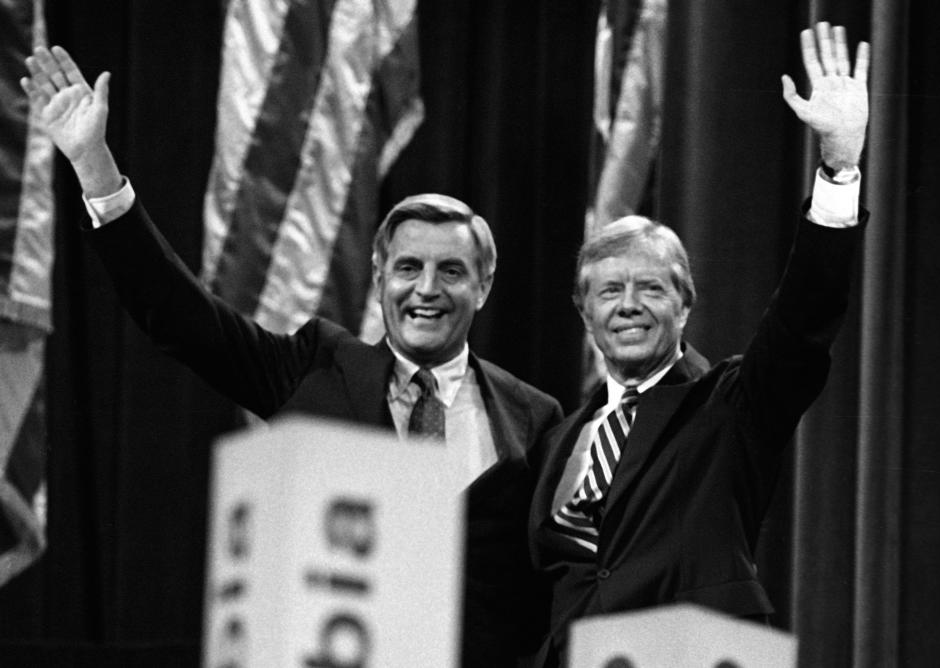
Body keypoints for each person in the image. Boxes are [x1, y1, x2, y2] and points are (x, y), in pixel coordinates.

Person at [21, 46, 561, 668]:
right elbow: (181, 318)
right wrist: (96, 167)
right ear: (381, 275)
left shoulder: (534, 416)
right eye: (409, 267)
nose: (427, 289)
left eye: (452, 271)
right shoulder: (317, 367)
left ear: (484, 286)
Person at [526, 22, 870, 667]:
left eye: (651, 288)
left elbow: (802, 323)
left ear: (686, 304)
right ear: (583, 310)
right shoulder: (558, 437)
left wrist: (840, 168)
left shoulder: (729, 407)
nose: (628, 305)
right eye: (609, 291)